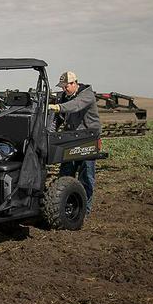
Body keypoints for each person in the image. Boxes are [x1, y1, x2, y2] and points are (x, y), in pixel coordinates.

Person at [48, 71, 101, 215]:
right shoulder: (65, 96)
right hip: (71, 138)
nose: (64, 89)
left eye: (66, 86)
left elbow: (75, 106)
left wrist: (58, 107)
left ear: (74, 83)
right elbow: (58, 118)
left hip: (88, 138)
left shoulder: (87, 95)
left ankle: (84, 210)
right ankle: (65, 206)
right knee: (66, 174)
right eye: (62, 87)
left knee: (86, 176)